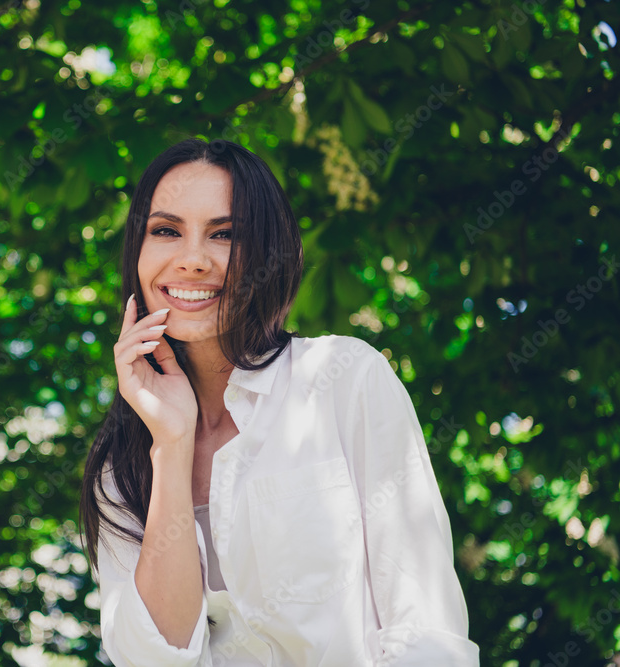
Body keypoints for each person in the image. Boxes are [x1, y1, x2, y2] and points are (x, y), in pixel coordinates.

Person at [78, 137, 481, 666]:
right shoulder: (121, 465)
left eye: (224, 234)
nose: (193, 260)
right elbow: (157, 657)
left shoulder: (342, 380)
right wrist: (171, 445)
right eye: (166, 231)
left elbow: (427, 629)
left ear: (268, 254)